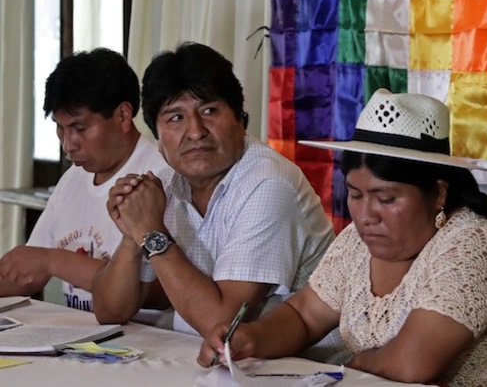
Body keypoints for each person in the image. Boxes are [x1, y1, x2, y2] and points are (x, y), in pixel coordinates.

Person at [197, 89, 487, 387]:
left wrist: (347, 371)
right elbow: (305, 314)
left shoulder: (473, 244)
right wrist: (251, 339)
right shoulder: (358, 240)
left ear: (437, 193)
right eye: (355, 195)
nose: (366, 215)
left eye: (386, 199)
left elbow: (411, 365)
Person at [92, 42, 341, 359]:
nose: (195, 132)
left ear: (239, 118)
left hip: (308, 371)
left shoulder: (268, 184)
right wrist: (133, 232)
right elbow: (109, 311)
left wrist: (151, 233)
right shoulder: (166, 182)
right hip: (219, 365)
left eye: (209, 111)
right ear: (156, 135)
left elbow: (224, 326)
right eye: (175, 118)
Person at [0, 48, 169, 314]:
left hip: (150, 345)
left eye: (79, 128)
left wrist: (54, 262)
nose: (68, 145)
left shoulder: (161, 175)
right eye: (60, 128)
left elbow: (161, 292)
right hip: (79, 343)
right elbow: (27, 270)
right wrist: (43, 262)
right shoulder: (72, 180)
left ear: (123, 116)